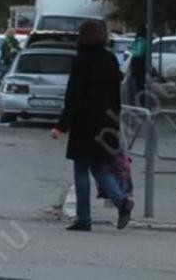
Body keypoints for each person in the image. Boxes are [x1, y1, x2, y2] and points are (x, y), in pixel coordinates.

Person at [51, 20, 133, 231]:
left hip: (84, 123)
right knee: (99, 167)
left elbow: (74, 96)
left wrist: (61, 125)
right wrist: (114, 121)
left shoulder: (81, 61)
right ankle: (122, 201)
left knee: (81, 169)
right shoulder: (110, 60)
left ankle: (84, 218)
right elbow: (116, 95)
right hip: (107, 122)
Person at [128, 25, 148, 104]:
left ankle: (140, 102)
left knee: (139, 86)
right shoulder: (142, 40)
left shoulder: (141, 41)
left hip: (138, 66)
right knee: (139, 85)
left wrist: (132, 51)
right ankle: (140, 101)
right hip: (139, 66)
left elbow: (139, 53)